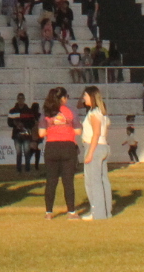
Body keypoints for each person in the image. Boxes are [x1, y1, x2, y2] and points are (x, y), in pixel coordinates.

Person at [38, 87, 78, 218]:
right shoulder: (70, 111)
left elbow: (41, 133)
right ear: (63, 98)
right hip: (68, 146)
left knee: (51, 181)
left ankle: (48, 212)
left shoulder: (47, 112)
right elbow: (78, 131)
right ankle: (71, 212)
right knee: (68, 181)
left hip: (52, 147)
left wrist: (53, 128)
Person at [79, 87, 111, 220]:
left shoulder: (94, 114)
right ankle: (106, 212)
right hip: (103, 146)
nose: (83, 98)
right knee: (103, 181)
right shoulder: (101, 113)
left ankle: (97, 213)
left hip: (95, 147)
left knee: (93, 181)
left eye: (85, 95)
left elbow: (96, 133)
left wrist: (90, 153)